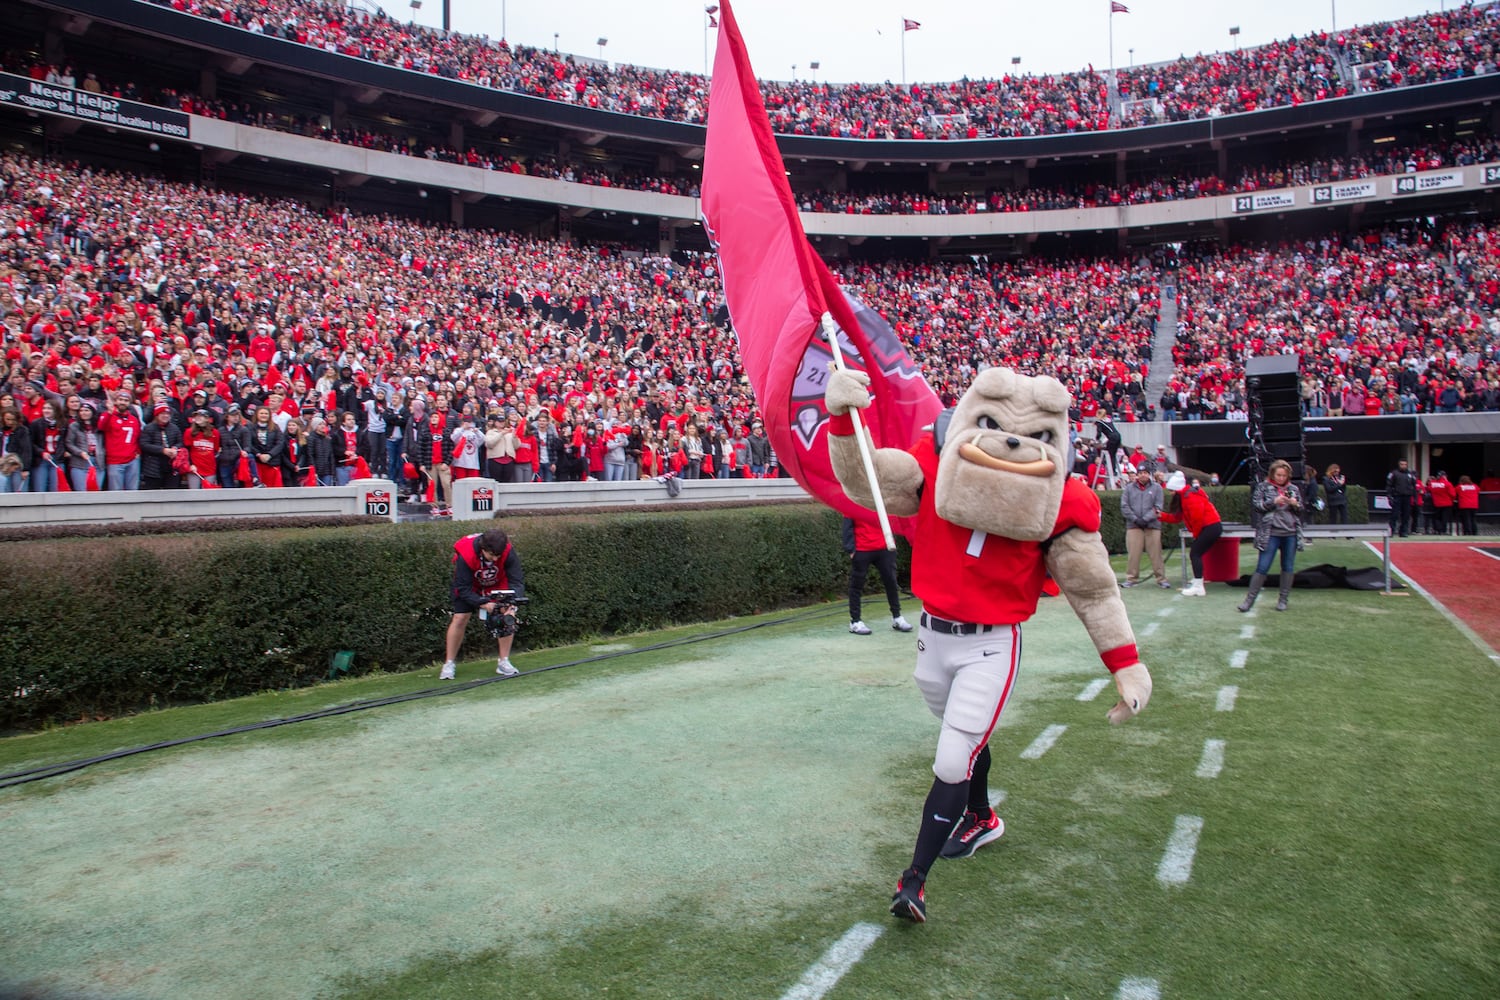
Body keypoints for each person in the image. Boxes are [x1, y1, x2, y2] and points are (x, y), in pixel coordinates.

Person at [442, 528, 527, 680]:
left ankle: (504, 662)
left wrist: (512, 606)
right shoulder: (466, 554)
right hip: (470, 584)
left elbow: (516, 581)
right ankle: (449, 663)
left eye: (498, 556)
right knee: (460, 618)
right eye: (492, 555)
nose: (495, 559)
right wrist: (483, 603)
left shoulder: (507, 551)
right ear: (483, 549)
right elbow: (463, 589)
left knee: (507, 616)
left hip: (497, 581)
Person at [1239, 459, 1303, 613]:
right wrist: (1273, 501)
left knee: (1287, 566)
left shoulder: (1293, 488)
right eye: (1278, 475)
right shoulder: (1263, 487)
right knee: (1262, 567)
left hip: (1290, 533)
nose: (1281, 478)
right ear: (1272, 474)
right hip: (1270, 533)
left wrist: (1295, 504)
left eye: (1284, 476)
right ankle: (1249, 600)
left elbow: (1301, 511)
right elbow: (1257, 507)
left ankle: (1283, 600)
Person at [842, 516, 913, 635]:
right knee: (856, 585)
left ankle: (897, 617)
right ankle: (855, 621)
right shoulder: (854, 501)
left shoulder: (886, 500)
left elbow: (895, 520)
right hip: (862, 549)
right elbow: (847, 526)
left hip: (885, 549)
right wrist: (851, 549)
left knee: (891, 582)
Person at [1160, 472, 1223, 596]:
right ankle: (1198, 582)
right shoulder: (1186, 496)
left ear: (1177, 489)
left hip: (1210, 526)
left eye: (1172, 490)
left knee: (1195, 553)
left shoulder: (1190, 497)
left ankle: (1199, 586)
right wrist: (1160, 516)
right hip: (1210, 526)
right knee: (1196, 553)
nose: (1171, 493)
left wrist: (1196, 534)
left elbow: (1197, 518)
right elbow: (1178, 517)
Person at [1119, 465, 1170, 589]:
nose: (1143, 475)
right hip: (1134, 525)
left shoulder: (1157, 488)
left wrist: (1146, 519)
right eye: (1140, 472)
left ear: (1149, 474)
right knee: (1133, 554)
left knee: (1156, 553)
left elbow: (1158, 506)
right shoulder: (1129, 488)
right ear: (1137, 474)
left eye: (1145, 472)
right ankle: (1131, 578)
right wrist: (1136, 519)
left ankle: (1161, 579)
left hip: (1152, 525)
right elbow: (1124, 506)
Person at [98, 390, 143, 491]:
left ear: (129, 403)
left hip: (132, 460)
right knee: (116, 493)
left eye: (126, 400)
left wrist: (138, 452)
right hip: (115, 461)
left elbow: (138, 437)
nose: (123, 402)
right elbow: (101, 427)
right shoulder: (108, 416)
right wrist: (109, 413)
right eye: (120, 399)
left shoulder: (134, 419)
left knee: (132, 491)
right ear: (116, 401)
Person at [139, 404, 185, 490]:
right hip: (153, 467)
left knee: (172, 492)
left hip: (171, 467)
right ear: (157, 415)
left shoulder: (174, 428)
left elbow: (180, 442)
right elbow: (144, 444)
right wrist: (162, 450)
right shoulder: (148, 428)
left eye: (167, 414)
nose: (166, 416)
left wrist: (175, 448)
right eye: (163, 413)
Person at [63, 402, 103, 492]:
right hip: (79, 463)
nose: (83, 413)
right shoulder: (74, 426)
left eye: (86, 410)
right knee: (82, 492)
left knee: (96, 491)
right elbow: (69, 443)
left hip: (98, 462)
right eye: (81, 410)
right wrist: (79, 452)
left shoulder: (99, 426)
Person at [182, 409, 221, 489]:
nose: (198, 418)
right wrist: (190, 464)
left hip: (209, 468)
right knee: (194, 494)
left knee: (208, 494)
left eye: (201, 416)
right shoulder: (189, 432)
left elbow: (216, 450)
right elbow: (186, 450)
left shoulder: (215, 433)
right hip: (194, 468)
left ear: (207, 419)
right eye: (196, 416)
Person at [0, 406, 33, 493]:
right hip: (3, 465)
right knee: (5, 491)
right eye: (7, 419)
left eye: (12, 420)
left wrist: (25, 469)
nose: (10, 422)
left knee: (19, 493)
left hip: (17, 466)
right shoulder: (1, 430)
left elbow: (26, 450)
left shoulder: (22, 430)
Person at [1385, 459, 1417, 537]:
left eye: (1405, 464)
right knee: (1394, 515)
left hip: (1407, 497)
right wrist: (1389, 496)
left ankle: (1403, 532)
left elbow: (1414, 486)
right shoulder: (1394, 473)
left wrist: (1415, 497)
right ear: (1399, 465)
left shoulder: (1410, 474)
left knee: (1406, 515)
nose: (1403, 466)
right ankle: (1391, 531)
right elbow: (1389, 485)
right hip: (1397, 496)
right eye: (1401, 464)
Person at [1428, 470, 1455, 536]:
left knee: (1437, 517)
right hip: (1447, 503)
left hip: (1437, 503)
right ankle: (1443, 530)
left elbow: (1428, 489)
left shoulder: (1432, 483)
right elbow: (1453, 494)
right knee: (1444, 518)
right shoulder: (1448, 484)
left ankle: (1438, 529)